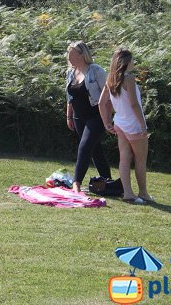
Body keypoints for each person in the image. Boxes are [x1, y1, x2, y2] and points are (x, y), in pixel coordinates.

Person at [98, 48, 153, 204]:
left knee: (124, 159)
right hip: (133, 124)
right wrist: (143, 125)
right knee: (140, 160)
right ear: (126, 62)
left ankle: (128, 193)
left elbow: (101, 103)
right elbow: (134, 104)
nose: (133, 63)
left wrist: (106, 122)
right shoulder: (129, 79)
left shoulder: (110, 78)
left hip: (120, 123)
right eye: (132, 60)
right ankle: (143, 193)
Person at [65, 41, 112, 193]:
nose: (69, 57)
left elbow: (109, 95)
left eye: (72, 54)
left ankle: (76, 183)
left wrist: (107, 119)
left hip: (96, 116)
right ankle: (108, 182)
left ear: (81, 54)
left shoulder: (96, 70)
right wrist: (69, 116)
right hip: (79, 118)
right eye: (68, 53)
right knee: (95, 150)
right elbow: (69, 97)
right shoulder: (70, 72)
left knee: (84, 148)